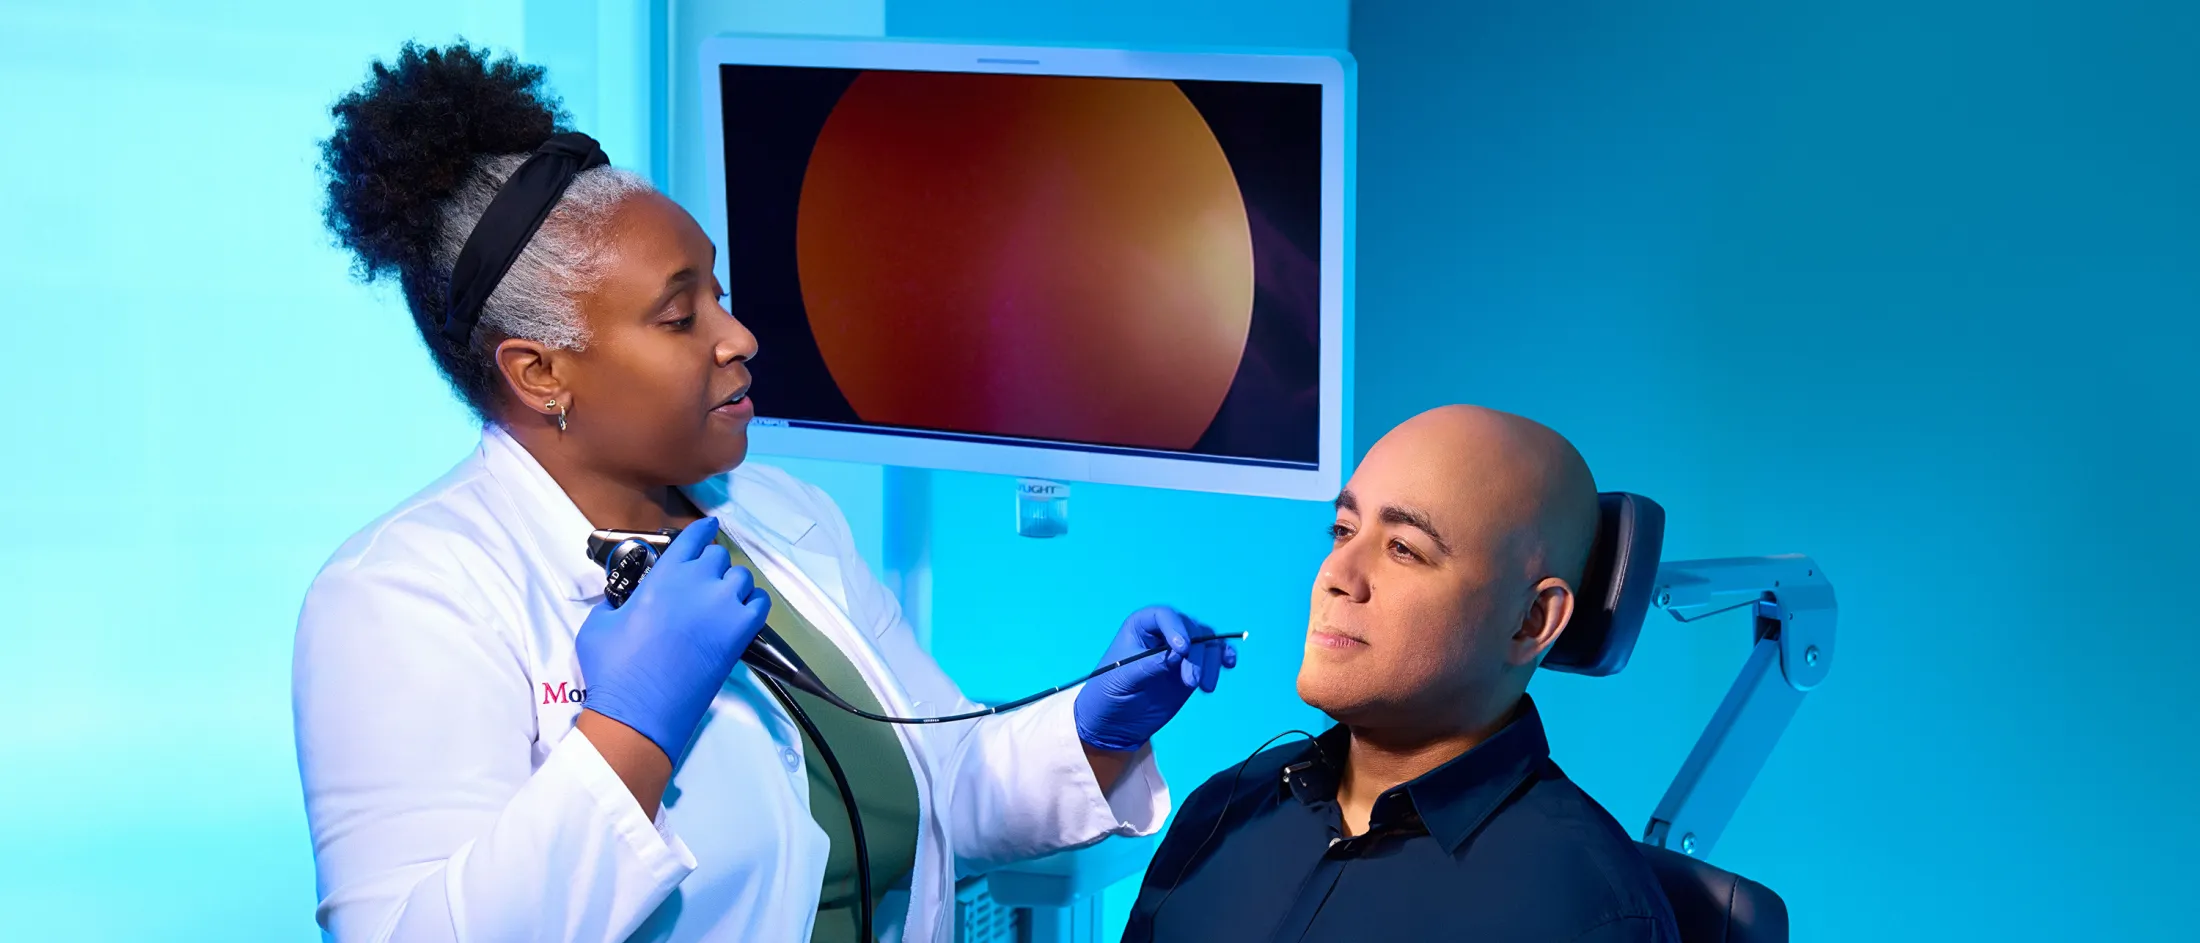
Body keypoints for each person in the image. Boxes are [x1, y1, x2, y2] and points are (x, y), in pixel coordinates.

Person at [293, 42, 1236, 943]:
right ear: (541, 372)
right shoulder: (402, 597)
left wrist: (1090, 728)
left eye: (720, 292)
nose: (738, 336)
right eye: (680, 316)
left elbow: (939, 781)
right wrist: (627, 731)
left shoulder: (782, 516)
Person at [1121, 405, 1680, 942]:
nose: (1336, 574)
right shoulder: (1222, 813)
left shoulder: (1589, 916)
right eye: (1344, 530)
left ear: (1530, 621)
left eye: (1403, 548)